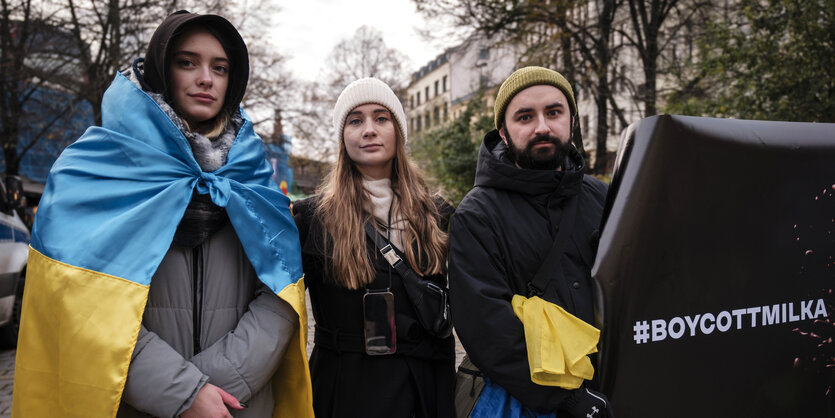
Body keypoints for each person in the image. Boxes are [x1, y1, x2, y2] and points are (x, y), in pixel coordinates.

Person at [12, 11, 311, 418]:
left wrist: (211, 389)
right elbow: (80, 307)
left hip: (236, 407)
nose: (206, 78)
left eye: (219, 68)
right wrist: (182, 395)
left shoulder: (254, 177)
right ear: (161, 70)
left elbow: (281, 298)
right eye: (187, 62)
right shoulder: (93, 170)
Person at [448, 66, 613, 417]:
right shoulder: (477, 215)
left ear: (572, 120)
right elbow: (486, 327)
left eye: (553, 112)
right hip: (521, 403)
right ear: (504, 133)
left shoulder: (604, 198)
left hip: (607, 393)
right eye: (525, 116)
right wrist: (567, 400)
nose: (542, 126)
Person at [292, 77, 456, 418]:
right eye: (356, 120)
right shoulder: (310, 218)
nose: (369, 129)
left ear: (398, 129)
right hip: (347, 393)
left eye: (381, 118)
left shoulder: (438, 214)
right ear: (343, 137)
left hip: (425, 390)